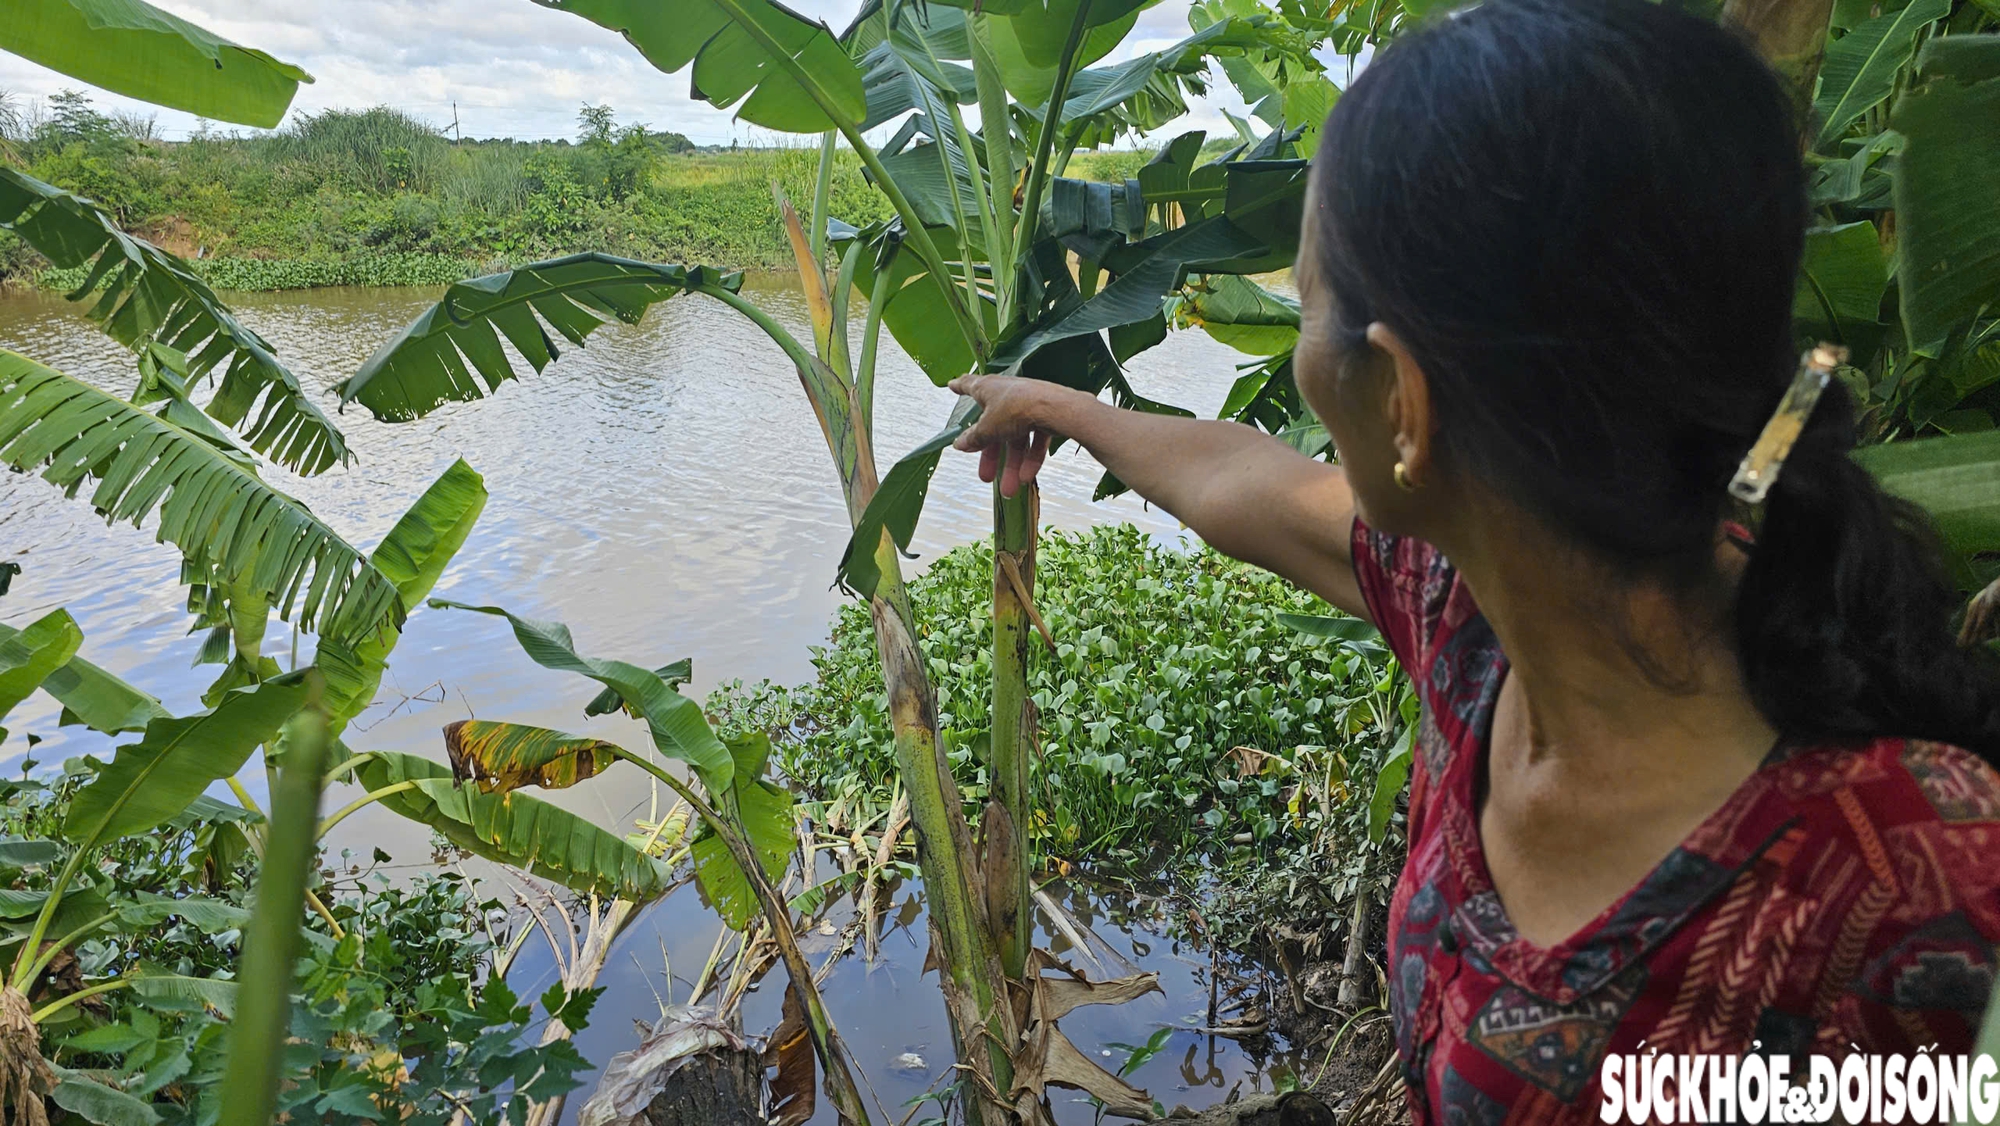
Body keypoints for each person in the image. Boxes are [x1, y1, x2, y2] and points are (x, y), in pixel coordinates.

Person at [948, 0, 2000, 1119]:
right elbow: (1246, 485)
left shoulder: (1927, 882)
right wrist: (1062, 404)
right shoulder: (1479, 614)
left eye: (1306, 305)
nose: (1300, 345)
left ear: (1401, 399)